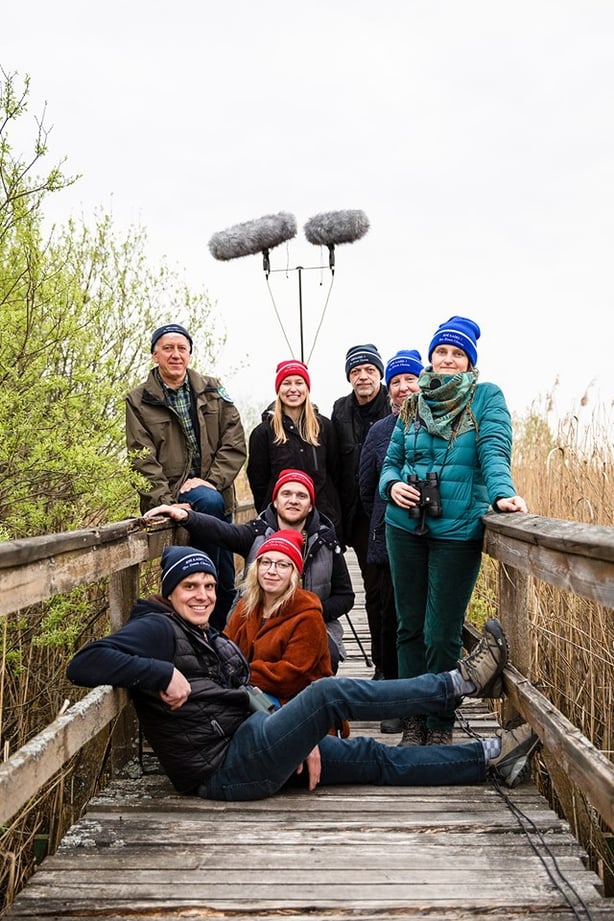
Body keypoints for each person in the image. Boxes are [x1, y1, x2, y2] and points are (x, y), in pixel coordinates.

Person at [66, 546, 540, 800]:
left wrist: (298, 736)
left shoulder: (206, 632)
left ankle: (491, 757)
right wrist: (159, 673)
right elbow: (84, 664)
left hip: (256, 737)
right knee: (329, 694)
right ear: (169, 593)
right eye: (190, 586)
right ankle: (460, 685)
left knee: (372, 757)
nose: (203, 596)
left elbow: (246, 692)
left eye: (210, 586)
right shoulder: (154, 629)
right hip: (223, 768)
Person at [379, 317, 528, 747]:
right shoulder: (413, 402)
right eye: (441, 352)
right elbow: (391, 461)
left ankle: (439, 722)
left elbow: (495, 449)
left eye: (456, 354)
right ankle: (412, 720)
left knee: (441, 631)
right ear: (431, 357)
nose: (447, 359)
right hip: (404, 526)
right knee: (408, 628)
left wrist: (503, 495)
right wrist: (393, 486)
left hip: (457, 529)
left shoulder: (486, 398)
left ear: (469, 363)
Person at [144, 468, 354, 672]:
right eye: (286, 493)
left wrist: (306, 611)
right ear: (275, 501)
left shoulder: (326, 542)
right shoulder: (256, 534)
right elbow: (221, 531)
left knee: (325, 655)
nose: (293, 500)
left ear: (310, 506)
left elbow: (345, 596)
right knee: (238, 659)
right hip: (256, 620)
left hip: (313, 622)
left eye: (302, 495)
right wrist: (186, 517)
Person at [125, 322, 246, 628]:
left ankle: (216, 639)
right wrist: (169, 503)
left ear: (190, 354)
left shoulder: (213, 390)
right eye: (167, 348)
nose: (175, 355)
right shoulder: (138, 400)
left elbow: (234, 443)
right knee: (217, 576)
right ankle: (209, 630)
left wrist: (211, 482)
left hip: (217, 497)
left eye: (182, 348)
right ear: (155, 355)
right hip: (174, 498)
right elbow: (141, 457)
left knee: (227, 579)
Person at [359, 349, 424, 732]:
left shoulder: (440, 423)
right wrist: (388, 517)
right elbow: (367, 487)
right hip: (388, 536)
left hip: (433, 537)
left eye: (409, 379)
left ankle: (426, 695)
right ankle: (394, 697)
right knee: (390, 616)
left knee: (423, 620)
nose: (402, 388)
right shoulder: (380, 431)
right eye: (396, 382)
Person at [331, 344, 391, 679]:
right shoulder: (341, 409)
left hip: (386, 514)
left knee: (386, 591)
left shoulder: (393, 404)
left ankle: (389, 664)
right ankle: (381, 662)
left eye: (369, 370)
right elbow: (333, 463)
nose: (363, 376)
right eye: (356, 371)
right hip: (354, 517)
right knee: (373, 590)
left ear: (379, 374)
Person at [224, 530, 332, 706]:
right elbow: (224, 649)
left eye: (282, 565)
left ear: (294, 573)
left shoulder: (308, 616)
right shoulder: (246, 606)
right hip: (251, 693)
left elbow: (289, 678)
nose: (271, 571)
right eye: (265, 562)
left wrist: (239, 673)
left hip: (301, 705)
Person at [247, 359, 342, 538]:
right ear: (278, 389)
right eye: (286, 383)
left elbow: (335, 473)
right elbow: (258, 481)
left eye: (299, 383)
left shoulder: (325, 427)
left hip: (322, 519)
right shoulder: (263, 433)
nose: (293, 389)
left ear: (307, 388)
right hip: (279, 523)